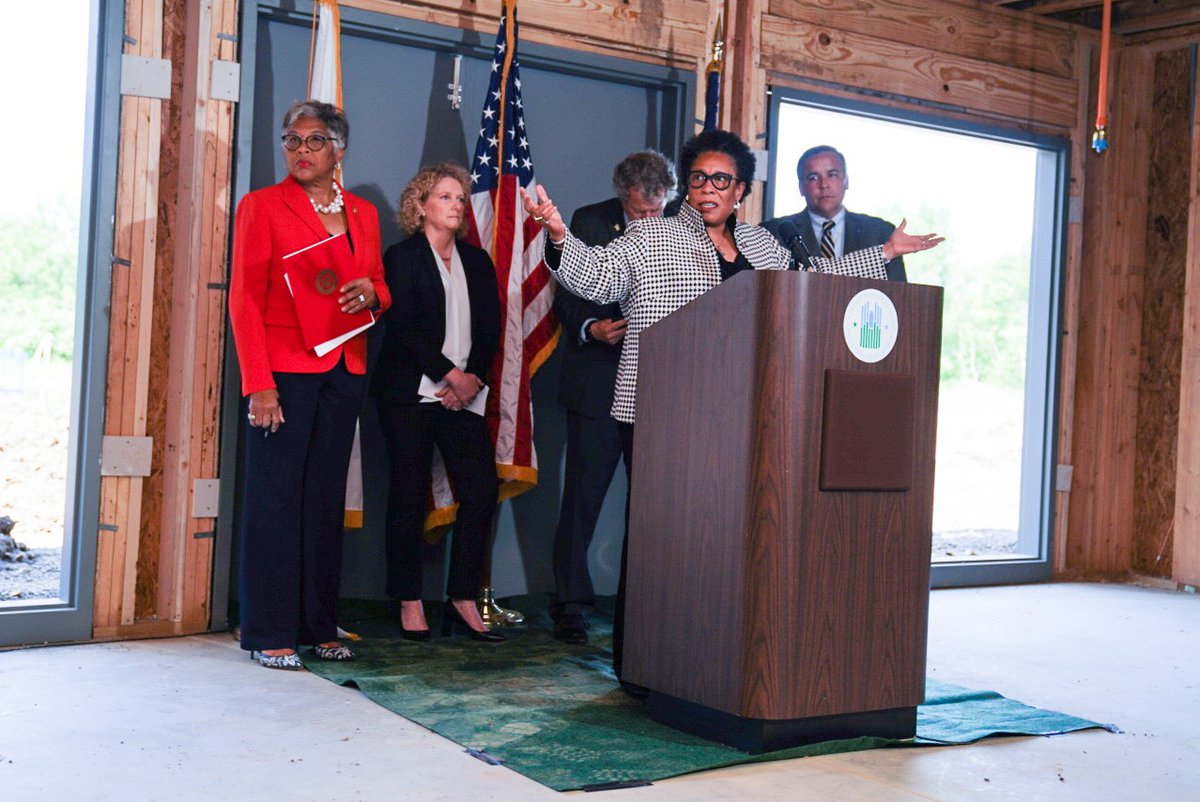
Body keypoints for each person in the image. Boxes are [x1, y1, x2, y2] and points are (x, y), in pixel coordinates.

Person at [522, 128, 942, 687]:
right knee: (660, 537)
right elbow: (596, 274)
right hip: (659, 407)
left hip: (737, 412)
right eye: (699, 178)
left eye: (721, 179)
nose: (708, 188)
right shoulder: (654, 237)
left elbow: (808, 284)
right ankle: (643, 663)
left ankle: (706, 661)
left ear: (740, 189)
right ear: (688, 188)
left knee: (717, 540)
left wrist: (883, 253)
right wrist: (556, 233)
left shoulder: (764, 248)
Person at [229, 99, 391, 670]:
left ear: (339, 150)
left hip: (345, 372)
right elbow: (244, 298)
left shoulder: (365, 214)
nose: (301, 150)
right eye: (292, 141)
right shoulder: (262, 206)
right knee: (275, 503)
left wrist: (376, 295)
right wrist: (259, 384)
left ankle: (319, 624)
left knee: (325, 504)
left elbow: (376, 285)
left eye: (314, 141)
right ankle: (269, 632)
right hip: (283, 376)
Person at [370, 163, 504, 644]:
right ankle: (408, 600)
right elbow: (402, 327)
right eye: (445, 196)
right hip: (409, 395)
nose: (455, 205)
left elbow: (490, 330)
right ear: (421, 204)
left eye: (461, 199)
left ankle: (462, 598)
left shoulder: (478, 261)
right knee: (406, 496)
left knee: (482, 491)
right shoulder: (402, 256)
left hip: (463, 397)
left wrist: (471, 380)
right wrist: (450, 375)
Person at [550, 151, 676, 645]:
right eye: (641, 211)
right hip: (599, 380)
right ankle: (571, 605)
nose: (650, 218)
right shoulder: (590, 220)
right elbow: (563, 292)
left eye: (657, 209)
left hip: (658, 385)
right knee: (582, 499)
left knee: (652, 507)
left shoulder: (680, 228)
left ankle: (643, 607)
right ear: (624, 196)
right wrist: (591, 326)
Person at [763, 145, 908, 281]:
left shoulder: (881, 233)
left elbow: (899, 297)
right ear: (801, 187)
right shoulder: (774, 232)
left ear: (846, 181)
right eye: (813, 177)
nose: (824, 184)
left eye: (832, 175)